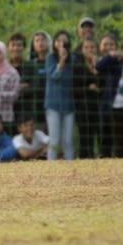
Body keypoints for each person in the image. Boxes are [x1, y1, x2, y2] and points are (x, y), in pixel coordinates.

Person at [44, 30, 75, 160]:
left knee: (67, 140)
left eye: (64, 40)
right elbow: (53, 76)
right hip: (53, 104)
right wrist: (61, 62)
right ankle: (51, 169)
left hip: (69, 105)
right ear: (54, 43)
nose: (61, 43)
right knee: (54, 140)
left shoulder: (73, 59)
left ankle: (71, 169)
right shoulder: (50, 58)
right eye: (58, 40)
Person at [73, 38, 102, 158]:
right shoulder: (77, 66)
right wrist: (88, 88)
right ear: (82, 50)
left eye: (92, 47)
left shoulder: (101, 65)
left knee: (98, 132)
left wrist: (95, 70)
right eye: (86, 47)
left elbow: (103, 84)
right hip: (82, 106)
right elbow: (73, 88)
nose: (90, 50)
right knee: (84, 135)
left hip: (97, 105)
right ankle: (84, 157)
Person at [18, 31, 50, 130]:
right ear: (33, 45)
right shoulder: (29, 64)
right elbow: (23, 87)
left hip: (53, 108)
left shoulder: (54, 62)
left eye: (43, 40)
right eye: (37, 40)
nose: (40, 43)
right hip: (35, 110)